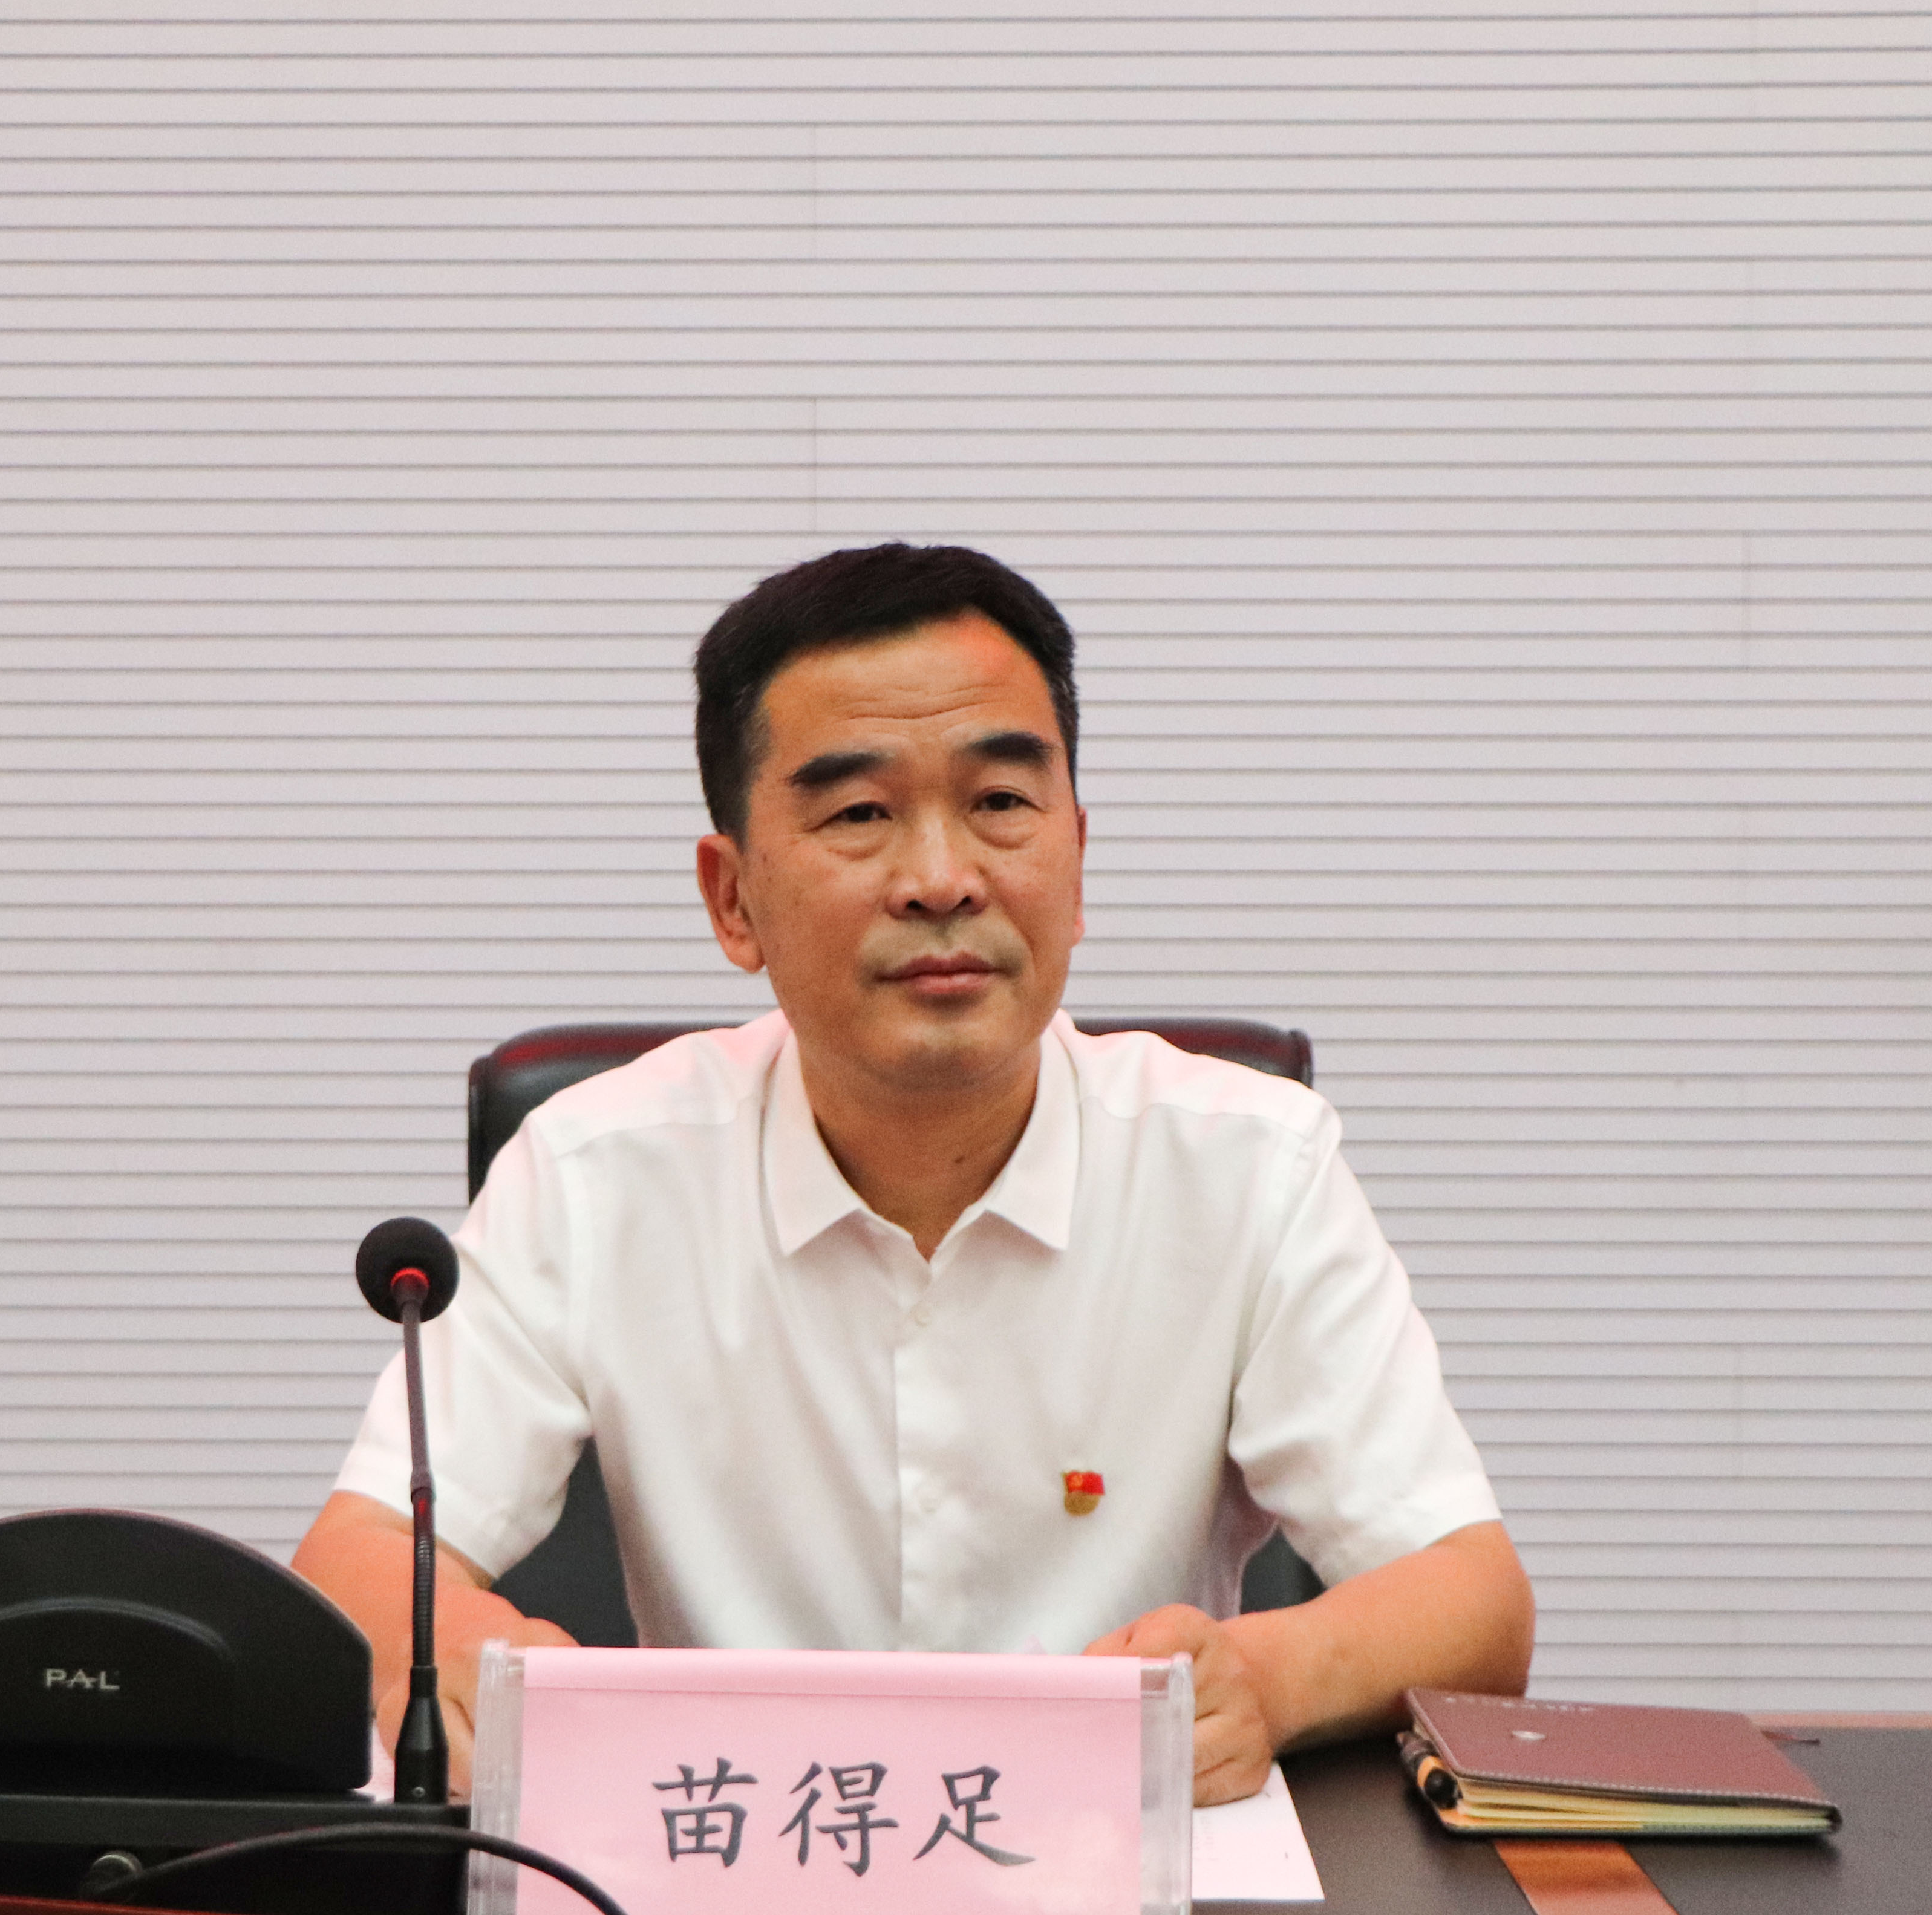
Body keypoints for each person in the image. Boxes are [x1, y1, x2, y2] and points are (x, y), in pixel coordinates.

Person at [293, 543, 1533, 1804]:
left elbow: (1472, 1600)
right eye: (858, 815)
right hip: (734, 1870)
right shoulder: (593, 1172)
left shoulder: (1248, 1165)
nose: (942, 879)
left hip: (1117, 1870)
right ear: (733, 899)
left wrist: (1263, 1676)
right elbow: (356, 1556)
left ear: (1076, 858)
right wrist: (464, 1650)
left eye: (999, 801)